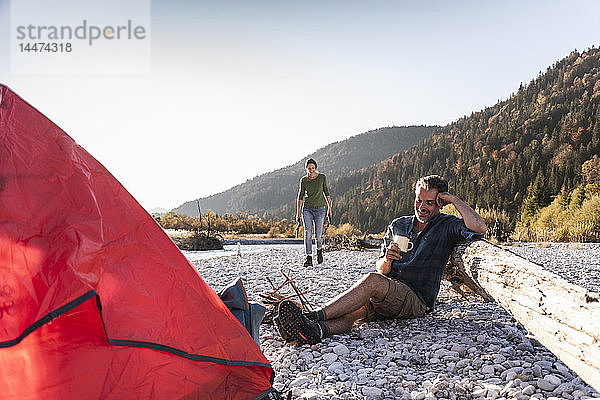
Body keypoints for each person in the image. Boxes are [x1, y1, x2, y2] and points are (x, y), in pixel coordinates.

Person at [276, 175, 487, 344]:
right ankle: (311, 331)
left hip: (416, 300)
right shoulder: (399, 224)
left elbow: (480, 227)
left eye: (430, 203)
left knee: (372, 281)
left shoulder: (447, 225)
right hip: (388, 291)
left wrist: (453, 200)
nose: (422, 207)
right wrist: (387, 259)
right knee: (354, 312)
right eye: (419, 200)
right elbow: (381, 268)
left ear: (440, 203)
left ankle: (312, 316)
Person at [296, 158, 332, 267]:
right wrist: (298, 213)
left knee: (318, 235)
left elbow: (326, 192)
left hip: (320, 209)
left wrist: (330, 208)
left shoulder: (322, 177)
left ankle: (319, 250)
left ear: (315, 168)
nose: (311, 170)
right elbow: (300, 196)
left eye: (313, 168)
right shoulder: (304, 180)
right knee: (308, 233)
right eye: (309, 168)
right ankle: (309, 257)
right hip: (307, 209)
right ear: (306, 168)